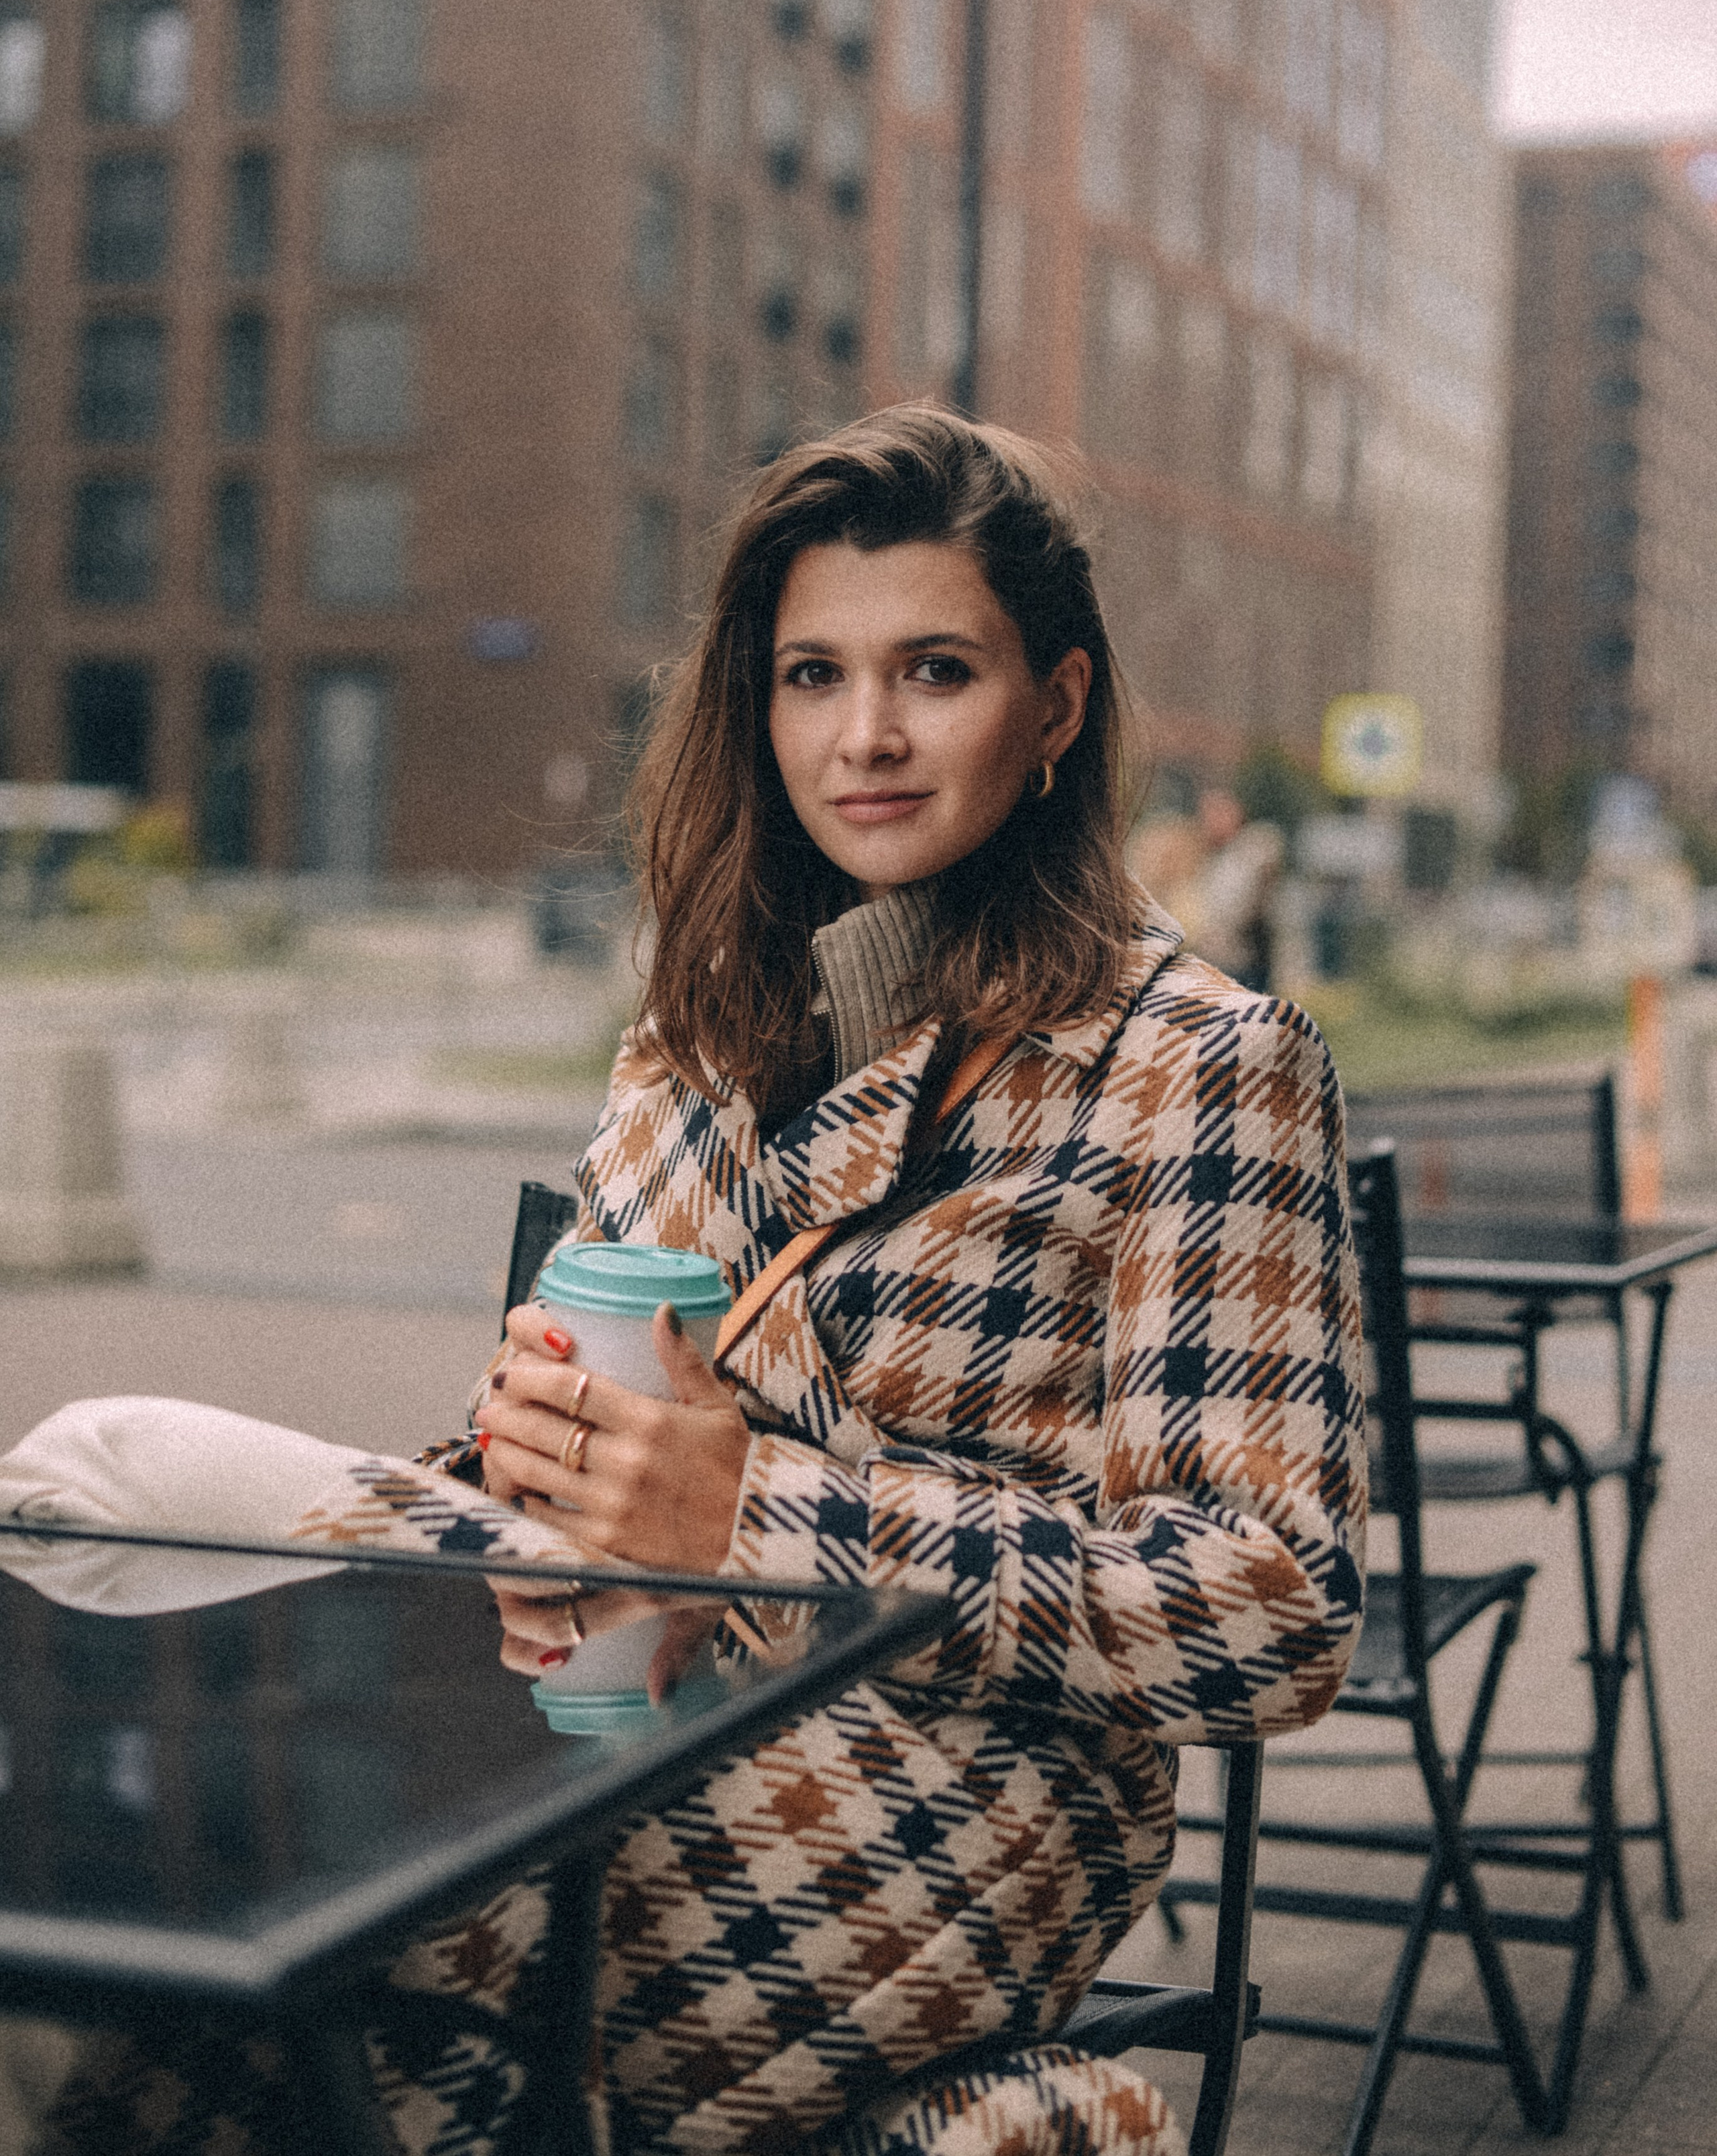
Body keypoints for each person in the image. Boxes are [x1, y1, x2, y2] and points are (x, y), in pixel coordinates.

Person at [33, 409, 1365, 2156]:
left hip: (942, 1788)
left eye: (935, 669)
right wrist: (509, 1461)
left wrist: (757, 1507)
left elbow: (1274, 1606)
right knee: (86, 1483)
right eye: (813, 673)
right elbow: (591, 1456)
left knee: (217, 1842)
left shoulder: (1200, 1059)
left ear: (1054, 705)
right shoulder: (697, 1033)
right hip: (596, 1662)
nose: (865, 733)